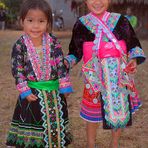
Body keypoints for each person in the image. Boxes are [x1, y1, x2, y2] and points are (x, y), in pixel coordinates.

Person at [64, 0, 146, 148]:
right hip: (94, 78)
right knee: (92, 114)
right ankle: (90, 144)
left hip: (119, 75)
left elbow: (133, 44)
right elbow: (75, 52)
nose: (97, 2)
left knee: (119, 111)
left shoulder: (121, 21)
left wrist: (133, 60)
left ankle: (114, 144)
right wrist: (66, 62)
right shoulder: (81, 24)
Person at [6, 0, 73, 147]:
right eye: (30, 20)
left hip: (54, 94)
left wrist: (64, 85)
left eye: (41, 21)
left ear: (48, 23)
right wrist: (24, 89)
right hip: (32, 94)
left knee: (54, 126)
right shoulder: (20, 45)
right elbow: (17, 69)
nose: (35, 26)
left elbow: (60, 64)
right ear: (22, 21)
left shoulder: (53, 42)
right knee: (33, 125)